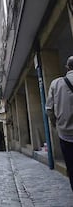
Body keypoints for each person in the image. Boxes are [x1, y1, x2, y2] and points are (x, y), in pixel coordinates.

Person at [46, 55, 73, 192]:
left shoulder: (56, 83)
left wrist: (55, 124)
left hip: (66, 133)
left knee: (71, 166)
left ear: (67, 67)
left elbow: (49, 109)